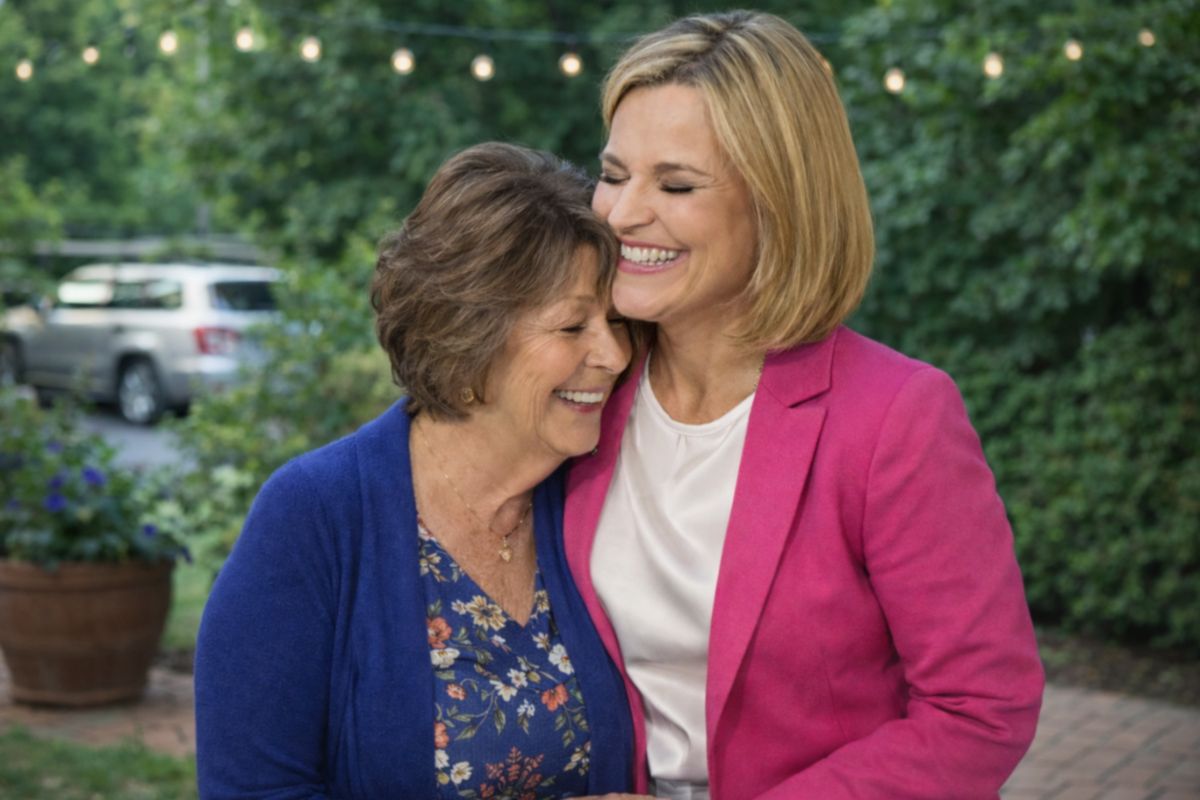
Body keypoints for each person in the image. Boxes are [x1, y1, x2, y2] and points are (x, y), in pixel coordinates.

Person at [564, 11, 1045, 799]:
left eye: (676, 184)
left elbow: (981, 710)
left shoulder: (896, 417)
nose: (619, 215)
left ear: (778, 205)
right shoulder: (588, 386)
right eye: (614, 174)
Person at [195, 142, 643, 799]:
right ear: (470, 339)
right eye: (574, 326)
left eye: (616, 321)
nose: (612, 353)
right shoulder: (314, 519)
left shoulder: (587, 498)